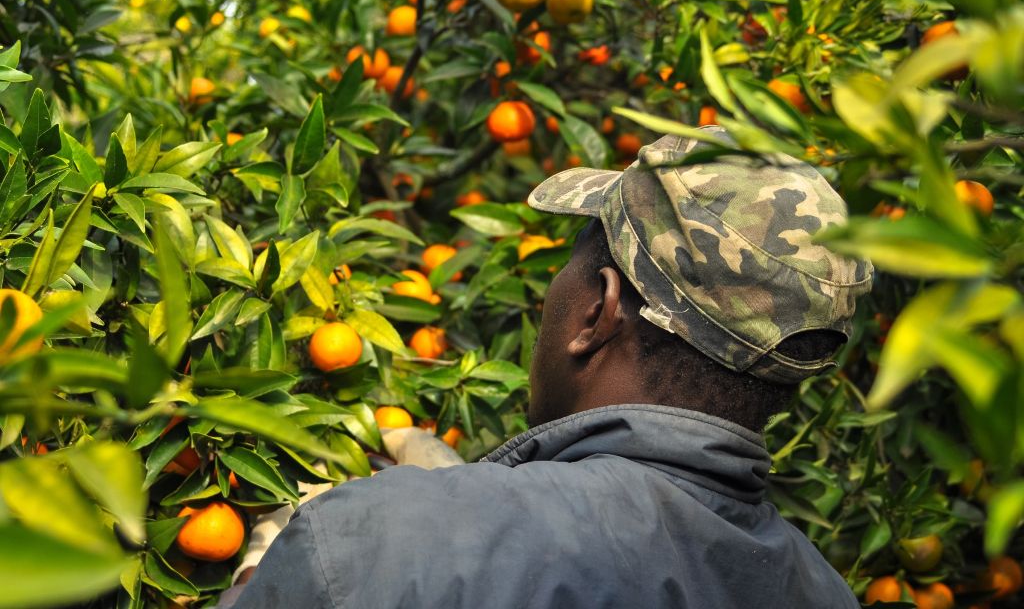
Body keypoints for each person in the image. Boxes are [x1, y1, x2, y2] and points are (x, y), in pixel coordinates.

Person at [224, 127, 872, 608]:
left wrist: (280, 561)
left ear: (598, 314)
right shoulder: (826, 593)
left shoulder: (367, 546)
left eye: (567, 267)